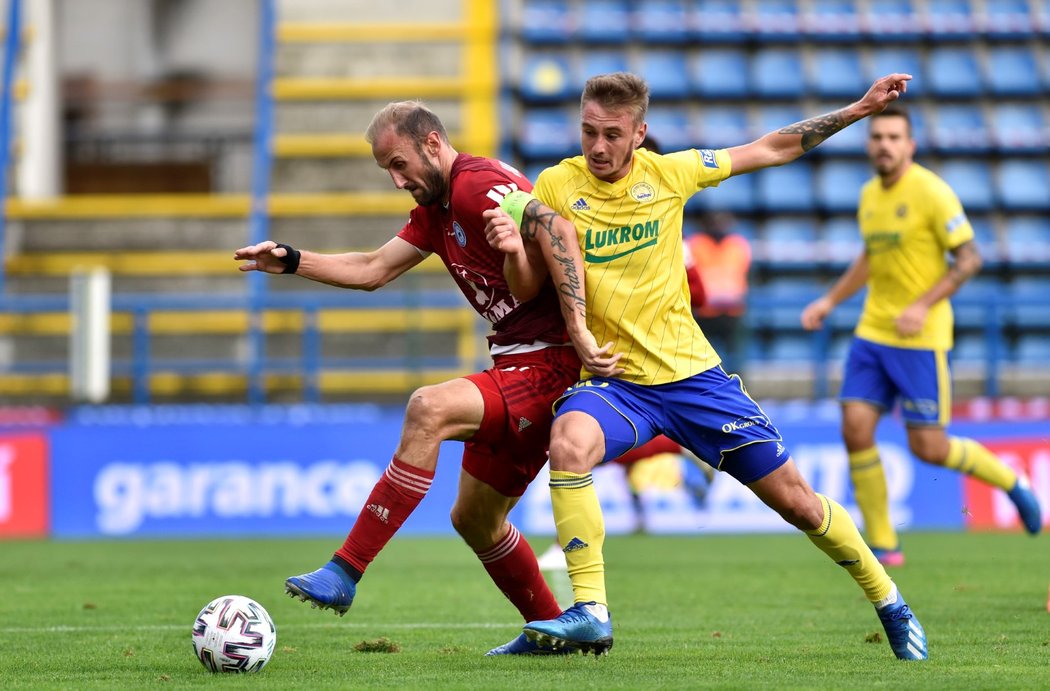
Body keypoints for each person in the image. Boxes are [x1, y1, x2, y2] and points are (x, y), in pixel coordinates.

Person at [484, 71, 930, 660]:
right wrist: (516, 249)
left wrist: (859, 108)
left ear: (640, 133)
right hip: (619, 382)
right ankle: (591, 609)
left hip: (694, 377)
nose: (598, 146)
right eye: (589, 131)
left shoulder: (671, 174)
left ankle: (890, 601)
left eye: (613, 134)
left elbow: (771, 148)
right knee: (568, 442)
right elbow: (529, 284)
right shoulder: (555, 185)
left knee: (795, 500)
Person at [233, 100, 616, 656]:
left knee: (427, 407)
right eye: (386, 170)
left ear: (432, 144)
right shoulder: (437, 210)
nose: (396, 180)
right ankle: (551, 630)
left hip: (549, 362)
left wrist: (578, 328)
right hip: (516, 362)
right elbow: (372, 270)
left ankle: (345, 570)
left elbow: (558, 227)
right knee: (475, 519)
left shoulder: (474, 184)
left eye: (399, 163)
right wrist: (292, 260)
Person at [800, 104, 1042, 566]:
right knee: (854, 427)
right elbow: (870, 257)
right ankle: (885, 543)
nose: (885, 145)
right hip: (873, 330)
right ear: (869, 145)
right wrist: (830, 301)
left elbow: (970, 259)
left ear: (909, 145)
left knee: (929, 447)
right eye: (878, 138)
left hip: (921, 338)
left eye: (894, 138)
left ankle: (1013, 482)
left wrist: (921, 305)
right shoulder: (869, 194)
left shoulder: (933, 193)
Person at [688, 211, 751, 375]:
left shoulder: (738, 245)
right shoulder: (695, 244)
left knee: (736, 357)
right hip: (703, 312)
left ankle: (739, 389)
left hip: (732, 311)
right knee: (701, 359)